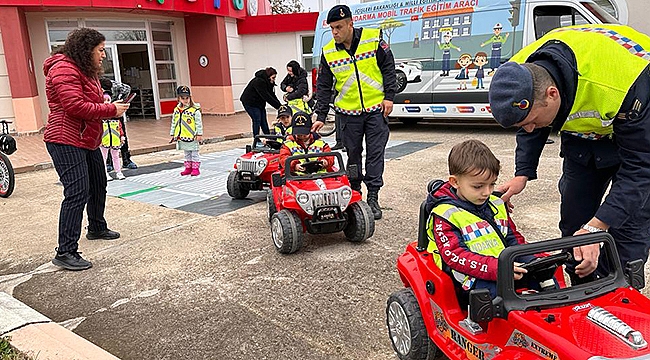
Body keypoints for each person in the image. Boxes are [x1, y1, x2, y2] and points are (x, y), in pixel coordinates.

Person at [488, 24, 650, 284]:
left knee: (628, 232)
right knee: (575, 229)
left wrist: (597, 227)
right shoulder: (521, 72)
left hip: (638, 117)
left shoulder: (618, 81)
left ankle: (622, 300)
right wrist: (523, 173)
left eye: (532, 120)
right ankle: (580, 302)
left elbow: (641, 170)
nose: (529, 129)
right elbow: (529, 119)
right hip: (585, 137)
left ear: (553, 94)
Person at [43, 28, 129, 271]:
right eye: (100, 50)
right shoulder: (63, 68)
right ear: (86, 49)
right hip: (65, 139)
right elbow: (74, 106)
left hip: (86, 138)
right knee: (77, 192)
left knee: (98, 183)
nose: (103, 55)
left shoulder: (84, 69)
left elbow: (87, 100)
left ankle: (97, 226)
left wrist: (106, 104)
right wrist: (110, 110)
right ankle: (66, 250)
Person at [313, 4, 397, 220]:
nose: (334, 33)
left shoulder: (373, 39)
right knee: (352, 155)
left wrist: (389, 96)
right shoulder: (328, 52)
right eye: (331, 28)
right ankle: (355, 192)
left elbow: (389, 68)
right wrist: (321, 116)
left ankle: (373, 197)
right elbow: (323, 85)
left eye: (338, 27)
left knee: (375, 154)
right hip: (347, 114)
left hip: (375, 111)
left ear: (351, 23)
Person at [425, 140, 534, 300]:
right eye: (478, 187)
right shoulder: (445, 215)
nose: (487, 192)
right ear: (455, 182)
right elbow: (455, 256)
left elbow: (512, 239)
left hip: (501, 267)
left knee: (542, 277)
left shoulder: (496, 204)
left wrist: (531, 259)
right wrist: (497, 269)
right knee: (497, 297)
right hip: (467, 277)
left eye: (492, 184)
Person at [99, 77, 137, 171]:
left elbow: (128, 89)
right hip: (104, 113)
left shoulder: (116, 86)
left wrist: (121, 102)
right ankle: (109, 162)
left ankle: (126, 160)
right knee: (106, 138)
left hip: (116, 113)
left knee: (121, 136)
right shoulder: (96, 87)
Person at [279, 112, 335, 176]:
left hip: (321, 176)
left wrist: (325, 162)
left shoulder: (321, 144)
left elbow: (330, 157)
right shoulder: (288, 145)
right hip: (297, 178)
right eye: (299, 134)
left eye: (304, 133)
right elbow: (283, 158)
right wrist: (295, 165)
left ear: (310, 129)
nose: (302, 136)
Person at [170, 86, 203, 176]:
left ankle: (196, 168)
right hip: (182, 136)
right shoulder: (177, 110)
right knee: (187, 153)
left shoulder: (194, 110)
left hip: (192, 136)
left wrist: (199, 133)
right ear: (178, 98)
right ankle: (188, 168)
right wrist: (173, 133)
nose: (185, 100)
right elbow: (174, 122)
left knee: (194, 153)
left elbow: (198, 123)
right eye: (183, 98)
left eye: (187, 98)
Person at [240, 67, 282, 137]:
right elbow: (266, 96)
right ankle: (256, 138)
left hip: (259, 104)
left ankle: (268, 137)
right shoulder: (259, 81)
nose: (274, 79)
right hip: (250, 103)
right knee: (257, 119)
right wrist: (278, 107)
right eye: (273, 77)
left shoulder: (269, 82)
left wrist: (280, 106)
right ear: (268, 76)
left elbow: (272, 95)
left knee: (263, 121)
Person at [100, 91, 126, 181]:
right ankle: (105, 173)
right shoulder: (100, 118)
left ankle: (118, 172)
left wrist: (122, 136)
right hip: (104, 141)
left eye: (108, 100)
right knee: (103, 158)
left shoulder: (115, 117)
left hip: (115, 140)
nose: (106, 102)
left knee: (116, 157)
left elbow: (119, 127)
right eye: (104, 100)